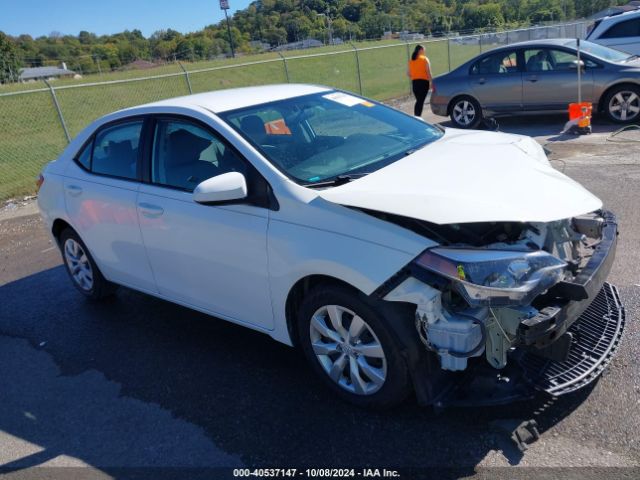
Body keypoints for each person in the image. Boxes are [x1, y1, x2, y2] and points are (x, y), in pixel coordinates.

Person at [407, 45, 432, 117]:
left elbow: (408, 73)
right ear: (420, 50)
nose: (424, 51)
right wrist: (431, 82)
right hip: (423, 83)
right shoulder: (425, 59)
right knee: (420, 102)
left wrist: (415, 75)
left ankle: (417, 117)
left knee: (419, 102)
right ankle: (417, 118)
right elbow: (428, 72)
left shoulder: (411, 60)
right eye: (424, 50)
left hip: (415, 83)